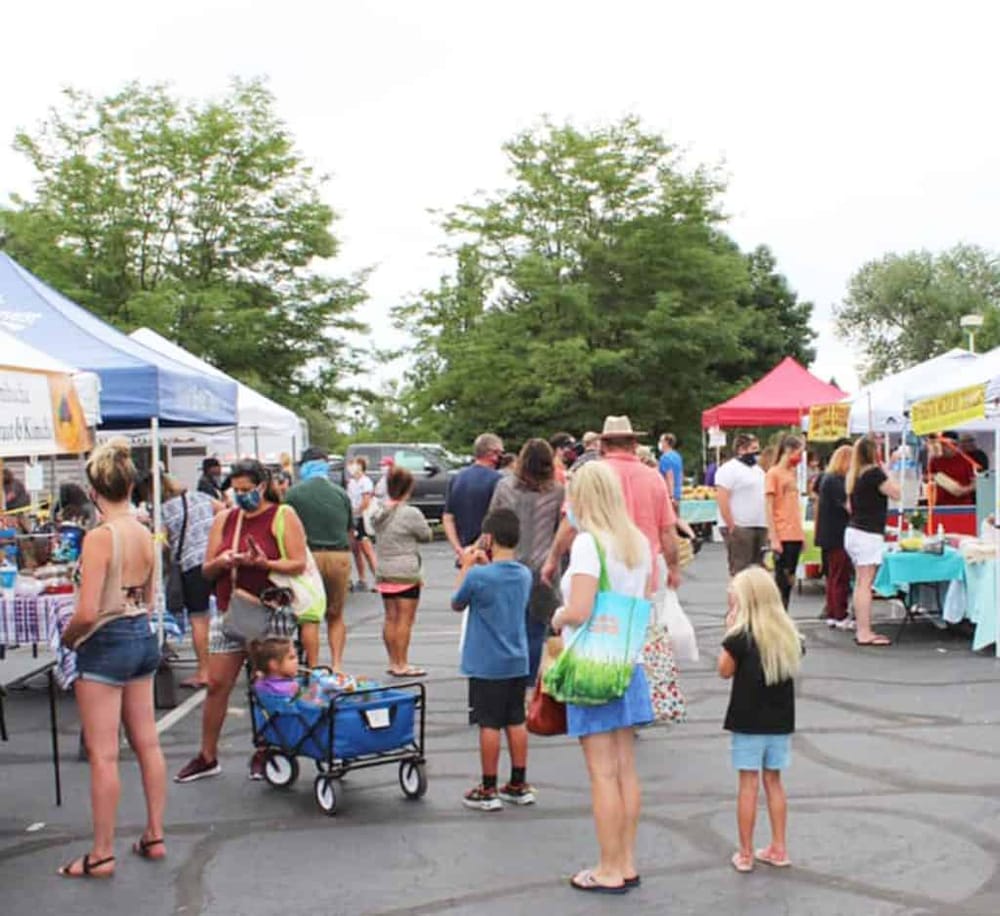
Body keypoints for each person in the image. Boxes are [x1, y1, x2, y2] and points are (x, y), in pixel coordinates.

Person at [57, 439, 166, 878]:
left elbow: (86, 610)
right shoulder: (144, 530)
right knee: (148, 743)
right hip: (141, 633)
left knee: (103, 754)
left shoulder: (100, 537)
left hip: (105, 639)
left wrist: (69, 639)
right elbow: (152, 595)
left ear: (94, 490)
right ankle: (154, 834)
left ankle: (102, 852)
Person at [550, 462, 653, 894]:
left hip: (592, 666)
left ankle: (608, 866)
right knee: (626, 769)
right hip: (627, 663)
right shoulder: (637, 542)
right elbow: (644, 600)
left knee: (602, 774)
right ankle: (625, 860)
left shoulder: (590, 545)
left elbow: (580, 609)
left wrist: (558, 617)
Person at [174, 459, 308, 784]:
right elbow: (206, 569)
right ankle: (207, 755)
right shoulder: (226, 519)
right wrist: (222, 561)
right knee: (218, 683)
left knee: (270, 684)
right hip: (230, 609)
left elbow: (299, 562)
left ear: (262, 487)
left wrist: (265, 562)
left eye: (248, 490)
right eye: (237, 490)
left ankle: (269, 750)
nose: (242, 495)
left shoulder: (282, 515)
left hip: (270, 611)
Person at [717, 566, 803, 873]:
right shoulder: (789, 635)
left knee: (748, 785)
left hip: (747, 720)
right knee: (774, 782)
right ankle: (779, 847)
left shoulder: (740, 637)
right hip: (780, 721)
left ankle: (745, 852)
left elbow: (724, 670)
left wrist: (729, 628)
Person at [452, 508, 534, 811]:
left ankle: (488, 787)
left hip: (487, 662)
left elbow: (457, 601)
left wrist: (466, 566)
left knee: (489, 723)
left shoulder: (478, 576)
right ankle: (518, 782)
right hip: (517, 658)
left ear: (489, 538)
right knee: (515, 719)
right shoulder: (524, 574)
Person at [543, 416, 680, 593]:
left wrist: (552, 559)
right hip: (642, 574)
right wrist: (673, 567)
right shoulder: (654, 478)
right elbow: (667, 531)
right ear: (634, 444)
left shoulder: (590, 476)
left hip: (598, 573)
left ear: (603, 445)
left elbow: (570, 524)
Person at [488, 439, 565, 681]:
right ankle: (529, 682)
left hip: (508, 566)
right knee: (535, 629)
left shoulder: (504, 487)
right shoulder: (557, 491)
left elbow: (492, 523)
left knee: (508, 629)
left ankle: (509, 679)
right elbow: (559, 530)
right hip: (544, 569)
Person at [284, 446, 353, 670]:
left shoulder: (293, 494)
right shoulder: (340, 493)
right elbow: (350, 530)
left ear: (304, 466)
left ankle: (313, 668)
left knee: (309, 616)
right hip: (339, 556)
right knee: (336, 615)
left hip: (307, 558)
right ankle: (337, 665)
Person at [371, 466, 433, 677]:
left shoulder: (379, 512)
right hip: (406, 571)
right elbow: (426, 535)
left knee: (390, 618)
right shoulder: (411, 513)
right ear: (408, 487)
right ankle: (402, 663)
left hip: (384, 570)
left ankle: (392, 661)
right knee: (405, 620)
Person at [161, 473, 222, 688]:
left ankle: (204, 672)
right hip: (216, 557)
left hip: (191, 565)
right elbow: (225, 510)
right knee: (231, 611)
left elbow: (162, 543)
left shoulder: (164, 510)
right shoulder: (200, 497)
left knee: (199, 619)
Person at [845, 436, 901, 647]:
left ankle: (862, 627)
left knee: (861, 582)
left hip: (854, 530)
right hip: (867, 534)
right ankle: (864, 631)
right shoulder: (874, 474)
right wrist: (888, 470)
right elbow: (896, 493)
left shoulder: (855, 475)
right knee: (865, 584)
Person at [442, 433, 503, 560]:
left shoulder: (457, 478)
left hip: (464, 553)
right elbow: (497, 519)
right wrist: (477, 548)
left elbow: (448, 518)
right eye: (501, 453)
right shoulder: (498, 480)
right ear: (493, 454)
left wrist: (458, 549)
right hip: (488, 553)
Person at [715, 435, 767, 576]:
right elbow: (722, 498)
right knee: (740, 570)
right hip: (740, 526)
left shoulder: (759, 471)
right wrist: (731, 525)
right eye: (754, 449)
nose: (757, 453)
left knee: (758, 569)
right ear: (741, 450)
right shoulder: (728, 469)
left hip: (759, 525)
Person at [764, 435, 806, 610]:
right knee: (782, 581)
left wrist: (801, 534)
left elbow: (794, 507)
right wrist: (774, 536)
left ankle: (785, 619)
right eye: (799, 453)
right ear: (788, 451)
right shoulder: (773, 474)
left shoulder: (791, 473)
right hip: (782, 532)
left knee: (790, 581)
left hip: (794, 532)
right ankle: (779, 621)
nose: (800, 457)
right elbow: (769, 507)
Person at [815, 445, 854, 629]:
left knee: (832, 576)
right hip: (838, 533)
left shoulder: (826, 479)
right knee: (840, 576)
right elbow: (848, 507)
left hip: (827, 533)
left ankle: (832, 612)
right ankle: (840, 614)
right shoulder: (838, 482)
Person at [346, 457, 378, 591]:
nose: (351, 468)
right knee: (355, 550)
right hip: (353, 518)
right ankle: (362, 579)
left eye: (354, 465)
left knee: (367, 550)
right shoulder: (351, 482)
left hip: (361, 519)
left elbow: (366, 501)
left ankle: (379, 579)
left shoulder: (366, 482)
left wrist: (356, 512)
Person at [928, 431, 976, 505]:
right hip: (941, 505)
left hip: (963, 505)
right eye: (942, 444)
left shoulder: (966, 460)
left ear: (955, 445)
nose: (943, 447)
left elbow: (975, 483)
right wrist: (935, 477)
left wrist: (964, 490)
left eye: (946, 445)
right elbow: (926, 477)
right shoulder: (935, 460)